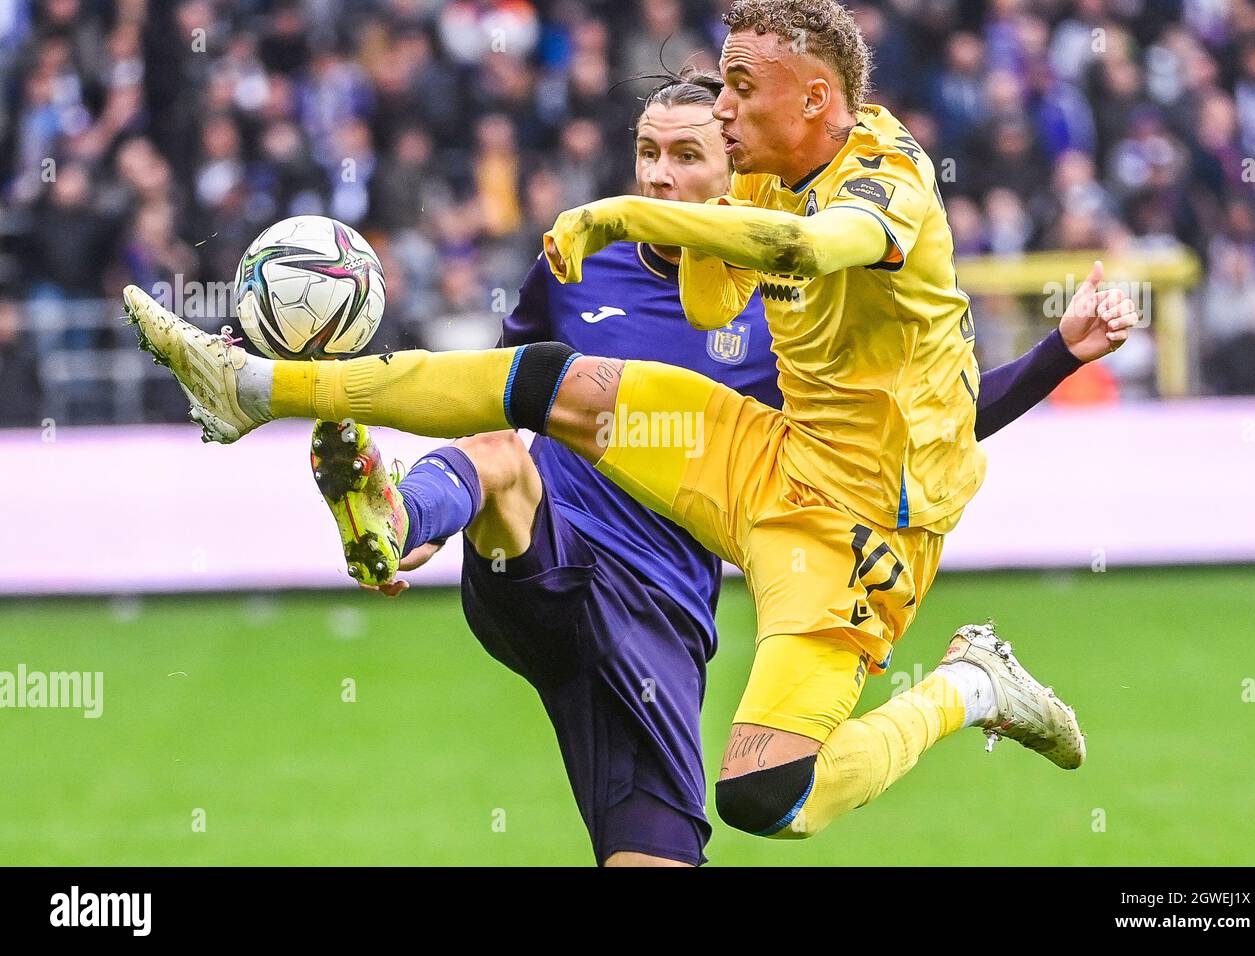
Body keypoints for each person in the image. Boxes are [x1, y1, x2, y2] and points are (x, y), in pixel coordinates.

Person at [124, 0, 1141, 845]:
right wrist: (692, 209)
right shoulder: (704, 207)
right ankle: (255, 391)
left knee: (763, 796)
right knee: (532, 389)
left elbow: (811, 255)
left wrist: (625, 213)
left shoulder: (888, 180)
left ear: (816, 98)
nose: (690, 144)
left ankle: (968, 684)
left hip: (843, 530)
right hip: (723, 468)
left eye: (738, 97)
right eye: (650, 149)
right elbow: (699, 304)